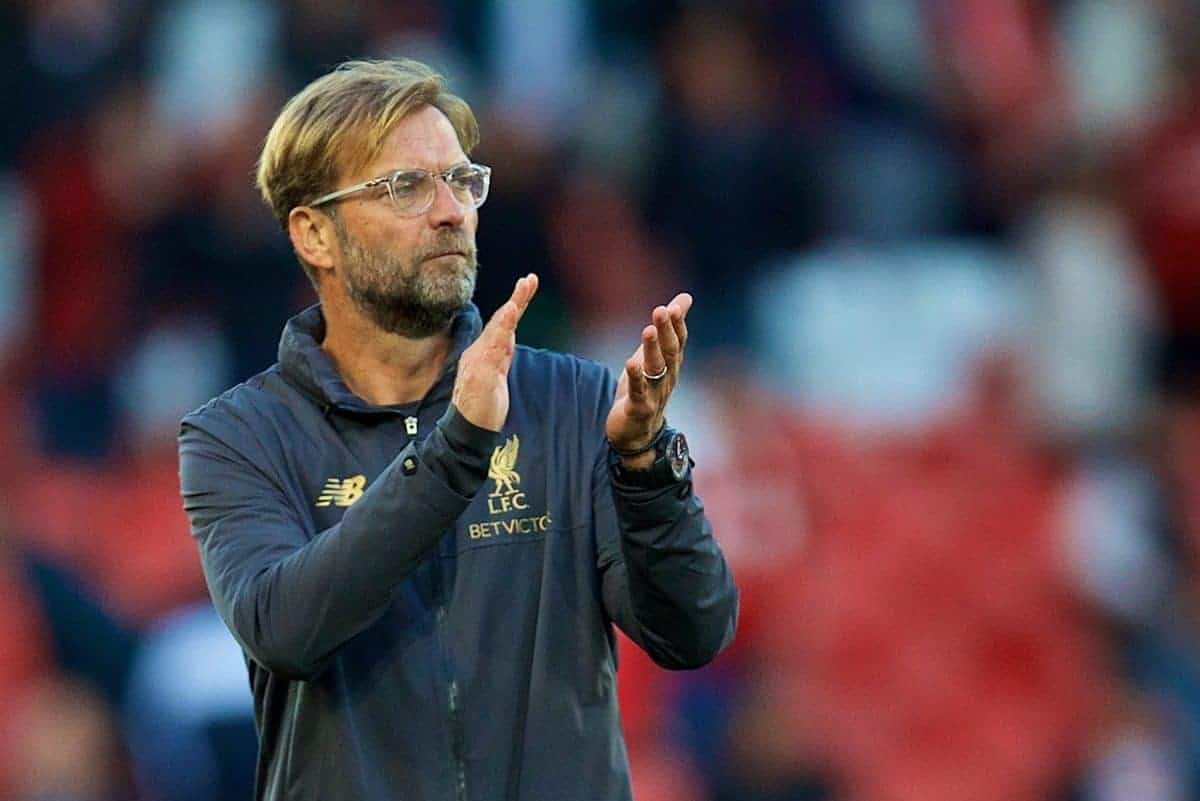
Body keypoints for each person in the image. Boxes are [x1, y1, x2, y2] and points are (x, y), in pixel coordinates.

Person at [177, 58, 738, 801]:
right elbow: (285, 628)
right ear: (314, 233)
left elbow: (691, 632)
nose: (451, 211)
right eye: (407, 186)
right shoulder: (240, 436)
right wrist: (456, 447)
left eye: (462, 180)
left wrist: (646, 469)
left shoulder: (568, 399)